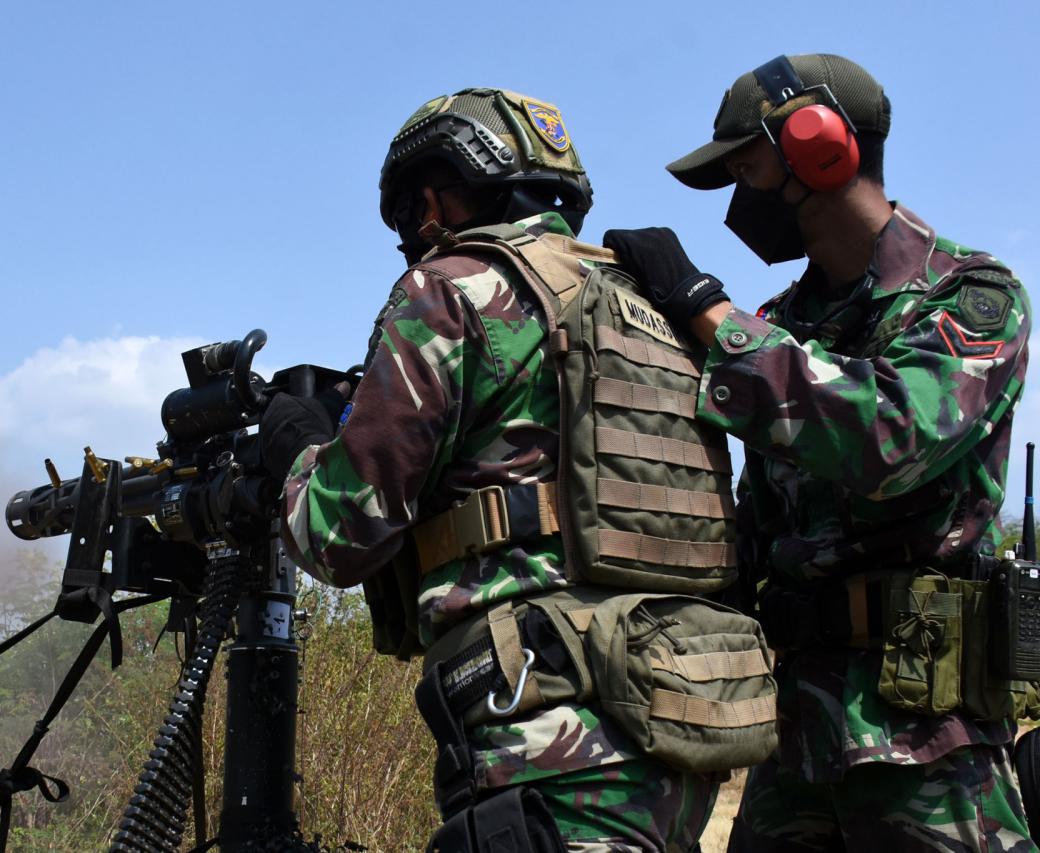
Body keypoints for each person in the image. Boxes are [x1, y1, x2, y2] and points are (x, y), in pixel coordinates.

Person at [260, 88, 725, 852]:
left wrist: (297, 451)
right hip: (681, 713)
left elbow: (338, 533)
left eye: (412, 213)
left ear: (437, 198)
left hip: (546, 733)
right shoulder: (652, 304)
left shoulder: (450, 289)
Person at [603, 53, 1034, 851]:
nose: (739, 193)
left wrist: (707, 312)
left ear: (818, 143)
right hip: (794, 746)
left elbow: (891, 437)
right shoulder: (781, 325)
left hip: (929, 745)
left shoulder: (972, 295)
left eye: (745, 164)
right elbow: (751, 534)